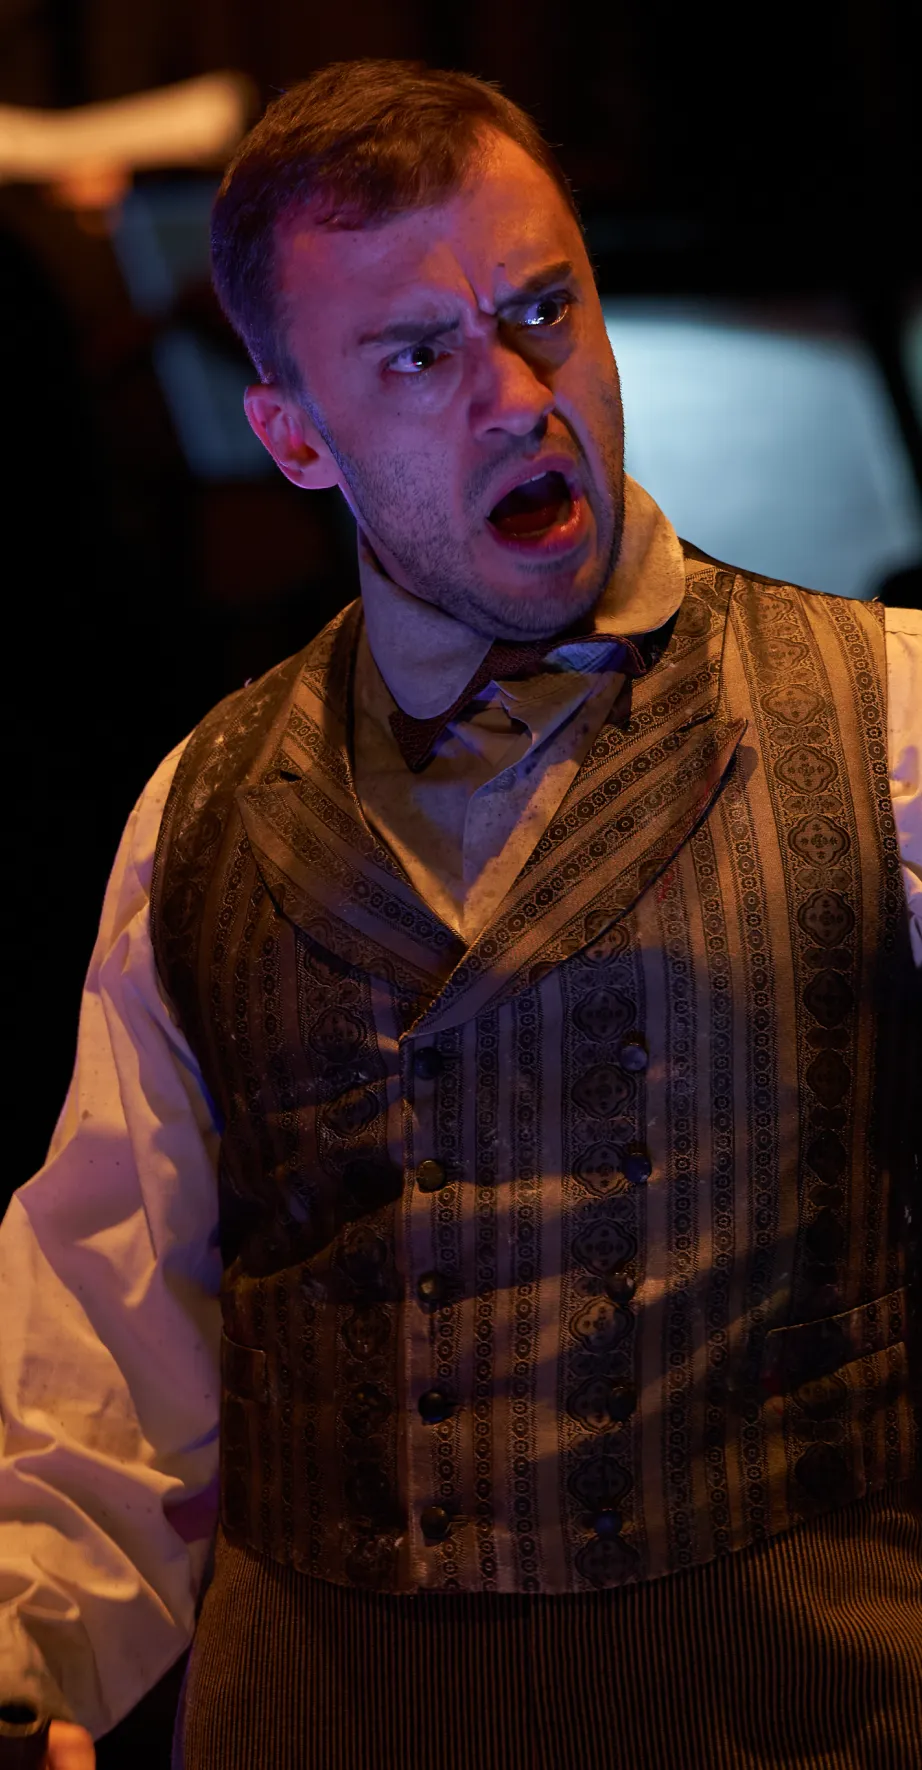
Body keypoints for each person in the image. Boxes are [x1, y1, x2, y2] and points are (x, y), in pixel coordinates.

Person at [1, 58, 920, 1770]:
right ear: (292, 435)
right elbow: (100, 1354)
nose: (517, 393)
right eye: (419, 355)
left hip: (793, 1715)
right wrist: (20, 1668)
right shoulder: (196, 812)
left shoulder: (883, 723)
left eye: (542, 310)